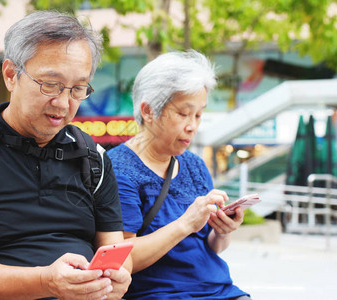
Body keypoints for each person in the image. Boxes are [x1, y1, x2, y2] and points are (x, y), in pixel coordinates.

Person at [0, 11, 131, 299]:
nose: (63, 102)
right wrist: (46, 281)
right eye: (50, 84)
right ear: (11, 75)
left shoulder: (93, 158)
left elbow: (115, 251)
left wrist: (118, 277)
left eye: (78, 89)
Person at [107, 50, 251, 299]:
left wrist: (223, 230)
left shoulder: (194, 165)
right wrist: (185, 223)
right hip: (159, 293)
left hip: (220, 291)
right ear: (148, 111)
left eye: (198, 114)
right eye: (183, 114)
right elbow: (123, 258)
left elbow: (212, 247)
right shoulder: (119, 170)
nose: (192, 125)